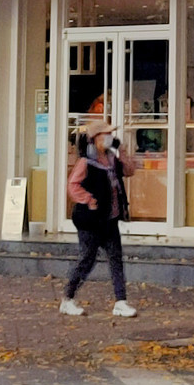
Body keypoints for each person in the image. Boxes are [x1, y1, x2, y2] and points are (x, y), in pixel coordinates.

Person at [61, 122, 136, 318]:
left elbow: (129, 171)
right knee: (87, 259)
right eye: (106, 134)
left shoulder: (112, 159)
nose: (110, 137)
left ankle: (121, 301)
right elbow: (73, 185)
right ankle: (67, 299)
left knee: (116, 259)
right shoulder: (86, 162)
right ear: (96, 138)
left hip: (109, 219)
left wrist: (123, 152)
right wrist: (88, 199)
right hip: (90, 220)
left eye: (111, 134)